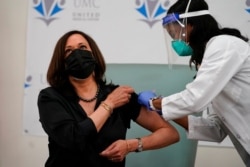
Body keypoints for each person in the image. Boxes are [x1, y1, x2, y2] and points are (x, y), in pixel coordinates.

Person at [37, 30, 179, 167]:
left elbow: (170, 133)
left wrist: (130, 145)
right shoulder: (50, 98)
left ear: (94, 54)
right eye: (69, 51)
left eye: (82, 47)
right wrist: (109, 104)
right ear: (61, 62)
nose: (77, 54)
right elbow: (74, 139)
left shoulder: (120, 95)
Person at [138, 0, 250, 166]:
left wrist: (154, 103)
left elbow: (195, 99)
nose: (175, 40)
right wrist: (164, 110)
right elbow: (215, 130)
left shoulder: (223, 45)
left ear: (191, 25)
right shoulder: (208, 61)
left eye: (175, 32)